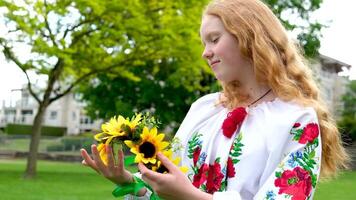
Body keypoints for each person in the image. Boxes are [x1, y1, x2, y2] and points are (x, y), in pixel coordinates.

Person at [80, 0, 349, 199]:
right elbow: (169, 187)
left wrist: (191, 196)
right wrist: (128, 180)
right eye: (204, 43)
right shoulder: (204, 109)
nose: (205, 53)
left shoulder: (296, 119)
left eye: (214, 39)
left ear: (250, 37)